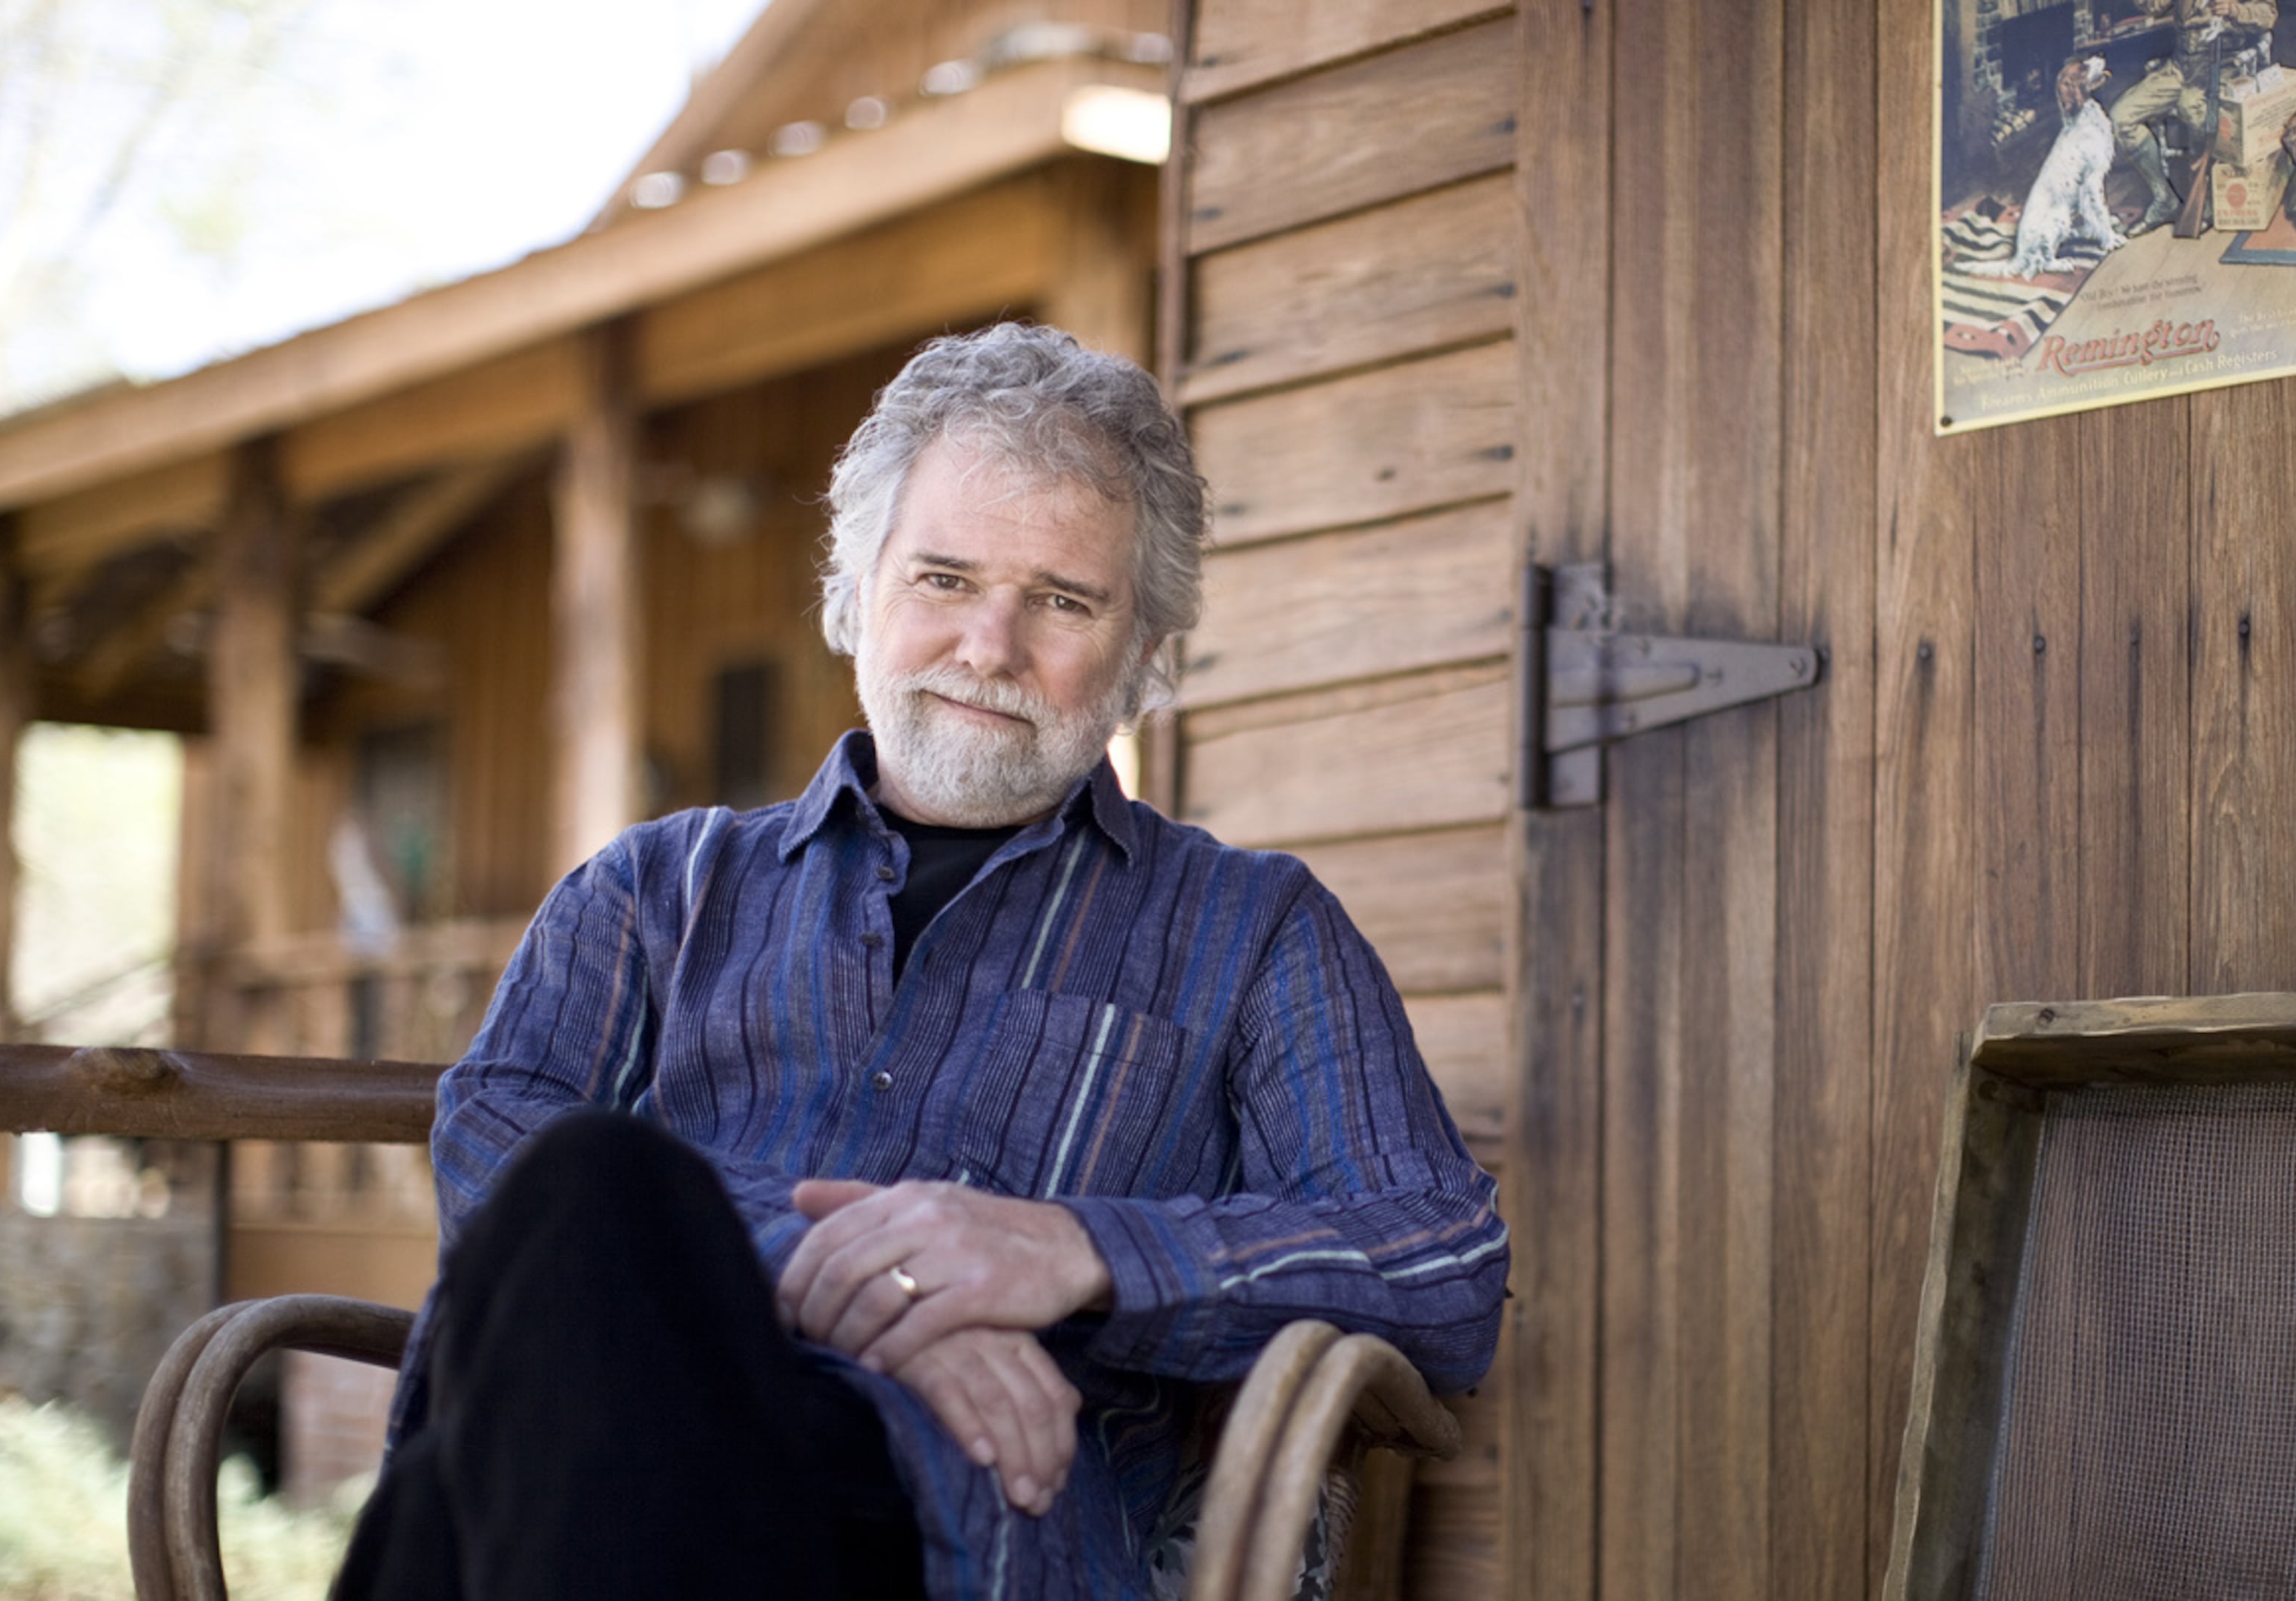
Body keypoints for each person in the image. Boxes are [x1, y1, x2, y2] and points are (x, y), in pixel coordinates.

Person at [334, 324, 1509, 1600]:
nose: (989, 648)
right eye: (943, 579)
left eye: (1063, 601)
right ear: (854, 596)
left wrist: (1075, 1251)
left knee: (513, 1401)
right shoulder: (656, 889)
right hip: (615, 1452)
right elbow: (493, 1140)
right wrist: (848, 1291)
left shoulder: (1253, 928)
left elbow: (1440, 1263)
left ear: (1146, 662)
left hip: (955, 1534)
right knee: (584, 1186)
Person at [2108, 0, 2280, 231]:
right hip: (2180, 68)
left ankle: (2208, 197)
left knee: (2192, 107)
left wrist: (2235, 10)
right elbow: (2151, 7)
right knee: (2121, 115)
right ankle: (2165, 199)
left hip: (2222, 64)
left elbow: (2268, 14)